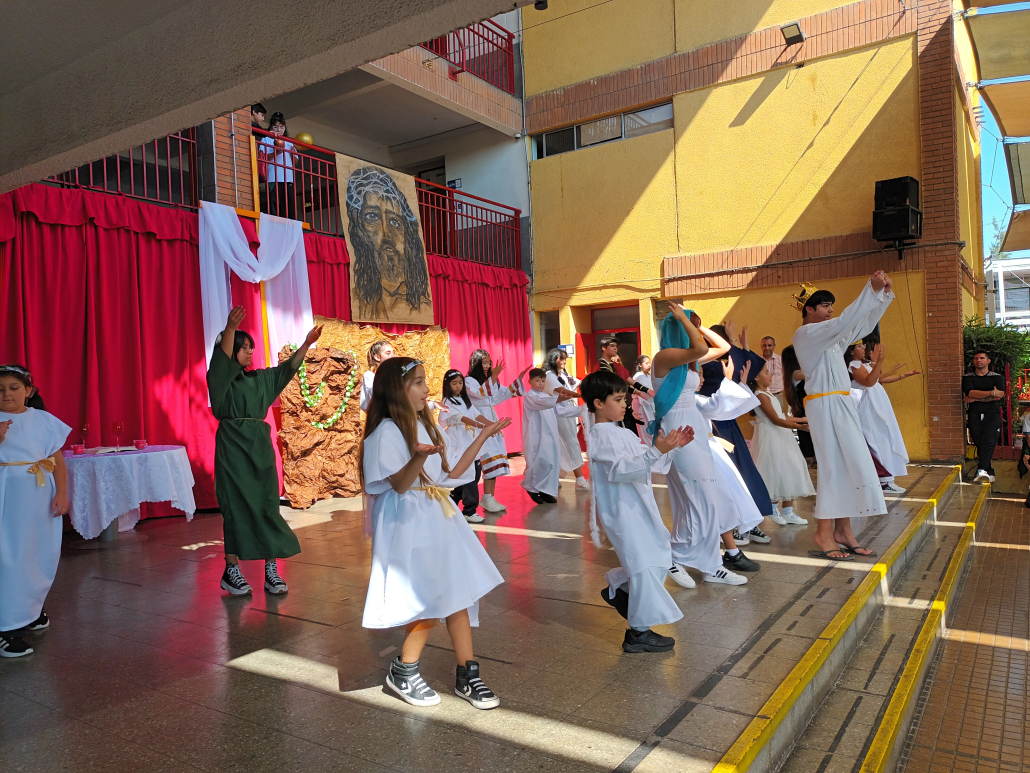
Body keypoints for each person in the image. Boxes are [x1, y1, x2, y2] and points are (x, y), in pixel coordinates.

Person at [361, 357, 510, 709]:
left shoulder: (425, 425)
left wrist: (484, 437)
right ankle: (404, 669)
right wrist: (417, 458)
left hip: (436, 514)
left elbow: (452, 472)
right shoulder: (384, 432)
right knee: (431, 594)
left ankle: (467, 673)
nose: (427, 389)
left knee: (458, 590)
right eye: (418, 382)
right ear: (397, 389)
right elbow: (398, 485)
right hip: (406, 519)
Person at [208, 305, 322, 595]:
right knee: (234, 508)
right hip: (232, 448)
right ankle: (231, 569)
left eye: (251, 347)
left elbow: (286, 370)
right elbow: (221, 362)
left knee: (268, 506)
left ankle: (271, 570)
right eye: (243, 348)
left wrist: (307, 344)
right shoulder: (221, 381)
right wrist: (231, 329)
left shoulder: (259, 380)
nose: (249, 352)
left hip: (259, 448)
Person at [582, 369, 691, 653]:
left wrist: (672, 448)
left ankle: (618, 587)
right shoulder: (601, 436)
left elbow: (649, 465)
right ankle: (638, 633)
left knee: (654, 557)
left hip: (638, 507)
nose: (625, 404)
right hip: (623, 512)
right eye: (618, 399)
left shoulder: (620, 432)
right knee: (645, 564)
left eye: (624, 399)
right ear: (598, 403)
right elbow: (621, 471)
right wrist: (657, 451)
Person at [792, 274, 894, 561]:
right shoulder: (806, 334)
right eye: (824, 305)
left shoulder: (833, 339)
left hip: (841, 403)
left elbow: (862, 323)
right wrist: (869, 290)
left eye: (831, 305)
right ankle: (824, 533)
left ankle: (844, 531)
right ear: (808, 310)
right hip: (824, 405)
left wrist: (881, 297)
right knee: (832, 467)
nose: (830, 310)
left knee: (850, 465)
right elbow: (845, 322)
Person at [651, 302, 748, 586]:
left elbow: (722, 348)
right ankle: (708, 563)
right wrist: (682, 318)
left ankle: (680, 554)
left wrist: (698, 322)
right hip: (678, 428)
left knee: (692, 498)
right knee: (702, 496)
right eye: (691, 327)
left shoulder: (687, 362)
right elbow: (702, 349)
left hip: (692, 424)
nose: (697, 332)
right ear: (677, 328)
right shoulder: (665, 356)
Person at [0, 364, 70, 657]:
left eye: (14, 388)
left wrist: (63, 493)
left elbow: (56, 459)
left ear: (28, 391)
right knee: (10, 556)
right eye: (0, 390)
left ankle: (29, 608)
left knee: (38, 552)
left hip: (39, 496)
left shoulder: (43, 420)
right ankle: (7, 628)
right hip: (7, 498)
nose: (6, 395)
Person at [700, 324, 775, 544]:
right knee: (727, 475)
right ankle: (731, 526)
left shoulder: (723, 359)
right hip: (713, 421)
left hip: (728, 420)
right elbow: (743, 364)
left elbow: (750, 367)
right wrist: (735, 342)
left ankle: (748, 523)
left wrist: (743, 345)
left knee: (744, 471)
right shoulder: (708, 361)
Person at [846, 341, 920, 494]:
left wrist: (902, 375)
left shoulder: (862, 364)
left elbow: (879, 379)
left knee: (885, 439)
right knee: (877, 441)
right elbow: (869, 381)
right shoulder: (853, 364)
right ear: (851, 351)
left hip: (877, 405)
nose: (864, 348)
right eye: (859, 347)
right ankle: (883, 481)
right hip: (868, 408)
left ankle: (887, 478)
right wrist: (878, 361)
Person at [749, 359, 815, 523]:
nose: (770, 375)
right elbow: (775, 420)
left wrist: (801, 419)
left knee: (788, 468)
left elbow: (782, 416)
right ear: (756, 378)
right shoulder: (760, 396)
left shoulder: (769, 393)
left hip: (781, 435)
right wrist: (799, 426)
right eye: (766, 373)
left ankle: (788, 510)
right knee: (774, 470)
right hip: (771, 436)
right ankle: (772, 507)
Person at [465, 350, 528, 513]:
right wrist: (493, 376)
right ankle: (473, 499)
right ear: (476, 363)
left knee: (493, 456)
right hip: (478, 421)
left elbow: (501, 394)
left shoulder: (488, 381)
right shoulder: (469, 380)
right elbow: (481, 393)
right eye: (484, 363)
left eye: (489, 363)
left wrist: (518, 381)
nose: (487, 366)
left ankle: (488, 497)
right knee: (482, 459)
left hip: (490, 419)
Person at [441, 369, 491, 523]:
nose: (458, 386)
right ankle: (469, 510)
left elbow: (476, 414)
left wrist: (492, 425)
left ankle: (453, 497)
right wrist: (479, 425)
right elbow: (461, 417)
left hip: (469, 439)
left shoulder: (465, 400)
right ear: (448, 385)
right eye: (454, 383)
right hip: (458, 440)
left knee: (475, 473)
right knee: (468, 476)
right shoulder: (448, 402)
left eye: (460, 383)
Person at [522, 368, 574, 504]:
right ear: (530, 381)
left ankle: (546, 491)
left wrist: (581, 410)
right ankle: (532, 488)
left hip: (550, 435)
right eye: (537, 380)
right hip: (537, 436)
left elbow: (559, 410)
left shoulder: (547, 397)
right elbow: (545, 403)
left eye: (543, 381)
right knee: (539, 462)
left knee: (551, 462)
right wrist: (558, 398)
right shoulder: (531, 397)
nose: (540, 383)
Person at [543, 348, 589, 489]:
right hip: (556, 412)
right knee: (567, 443)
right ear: (553, 359)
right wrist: (584, 397)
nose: (564, 361)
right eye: (561, 358)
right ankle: (579, 479)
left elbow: (578, 383)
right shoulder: (549, 376)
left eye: (565, 358)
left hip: (567, 410)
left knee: (565, 444)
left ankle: (555, 477)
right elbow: (562, 392)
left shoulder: (562, 375)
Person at [962, 350, 1006, 483]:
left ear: (988, 361)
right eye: (976, 358)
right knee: (980, 442)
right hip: (974, 414)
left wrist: (976, 398)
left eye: (982, 358)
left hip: (992, 415)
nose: (978, 360)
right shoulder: (967, 377)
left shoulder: (997, 377)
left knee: (989, 440)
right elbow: (970, 393)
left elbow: (1000, 395)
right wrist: (991, 393)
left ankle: (981, 470)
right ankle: (989, 471)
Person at [781, 344, 816, 468]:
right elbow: (814, 373)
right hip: (804, 410)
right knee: (807, 438)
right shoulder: (797, 373)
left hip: (806, 409)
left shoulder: (795, 373)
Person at [258, 112, 298, 220]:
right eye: (275, 127)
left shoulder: (289, 142)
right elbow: (263, 158)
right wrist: (277, 152)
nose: (279, 130)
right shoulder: (266, 139)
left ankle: (289, 225)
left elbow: (295, 162)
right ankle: (274, 223)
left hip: (288, 179)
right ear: (271, 127)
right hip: (273, 177)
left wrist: (293, 154)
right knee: (274, 204)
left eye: (281, 127)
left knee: (289, 205)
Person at [361, 340, 395, 412]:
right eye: (388, 353)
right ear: (377, 357)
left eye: (393, 352)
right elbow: (366, 405)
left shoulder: (396, 375)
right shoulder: (370, 376)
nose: (393, 356)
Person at [760, 336, 787, 413]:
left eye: (769, 345)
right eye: (764, 345)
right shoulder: (757, 361)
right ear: (761, 346)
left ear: (774, 346)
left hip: (777, 396)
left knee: (780, 418)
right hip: (762, 396)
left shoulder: (781, 360)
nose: (767, 348)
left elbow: (787, 377)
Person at [632, 355, 655, 443]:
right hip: (641, 405)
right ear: (640, 365)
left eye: (650, 363)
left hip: (650, 404)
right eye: (646, 363)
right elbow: (646, 390)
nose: (649, 365)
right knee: (644, 428)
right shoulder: (638, 376)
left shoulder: (649, 376)